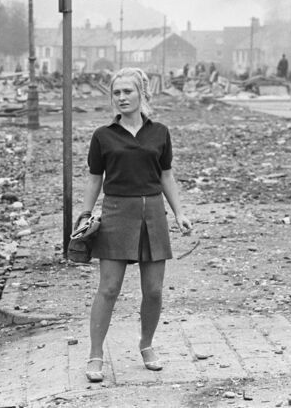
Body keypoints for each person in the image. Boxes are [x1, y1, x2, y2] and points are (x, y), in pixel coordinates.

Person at [76, 67, 192, 383]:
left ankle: (147, 345)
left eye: (128, 91)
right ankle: (96, 354)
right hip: (116, 212)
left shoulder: (160, 132)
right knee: (109, 288)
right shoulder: (103, 136)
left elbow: (166, 174)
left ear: (142, 94)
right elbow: (94, 177)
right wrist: (86, 215)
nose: (122, 98)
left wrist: (179, 212)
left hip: (153, 213)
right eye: (117, 93)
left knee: (153, 291)